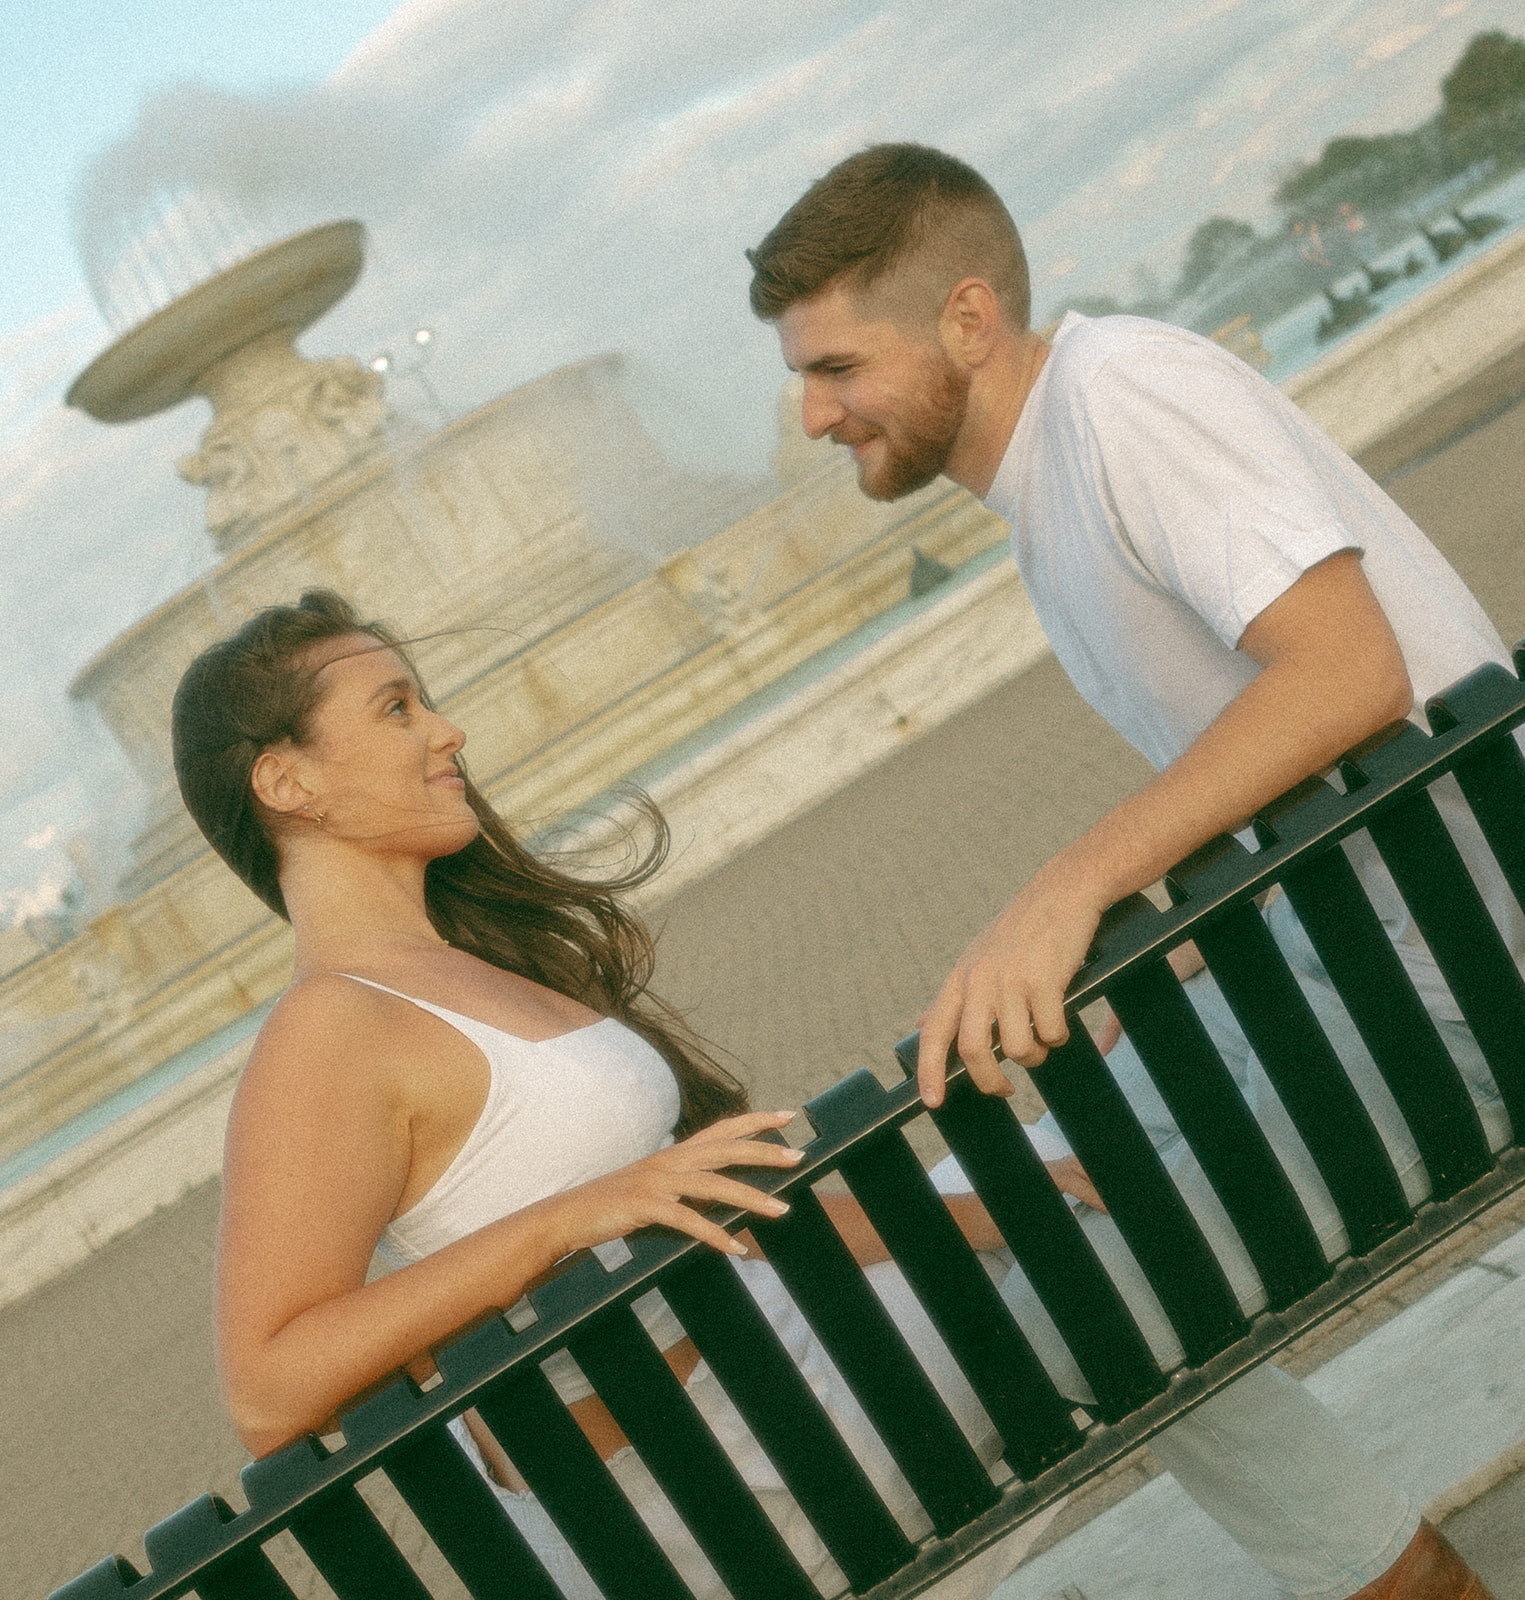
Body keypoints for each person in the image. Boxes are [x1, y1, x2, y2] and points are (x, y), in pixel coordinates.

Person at [746, 143, 1508, 1600]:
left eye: (836, 363)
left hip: (1458, 974)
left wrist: (1072, 888)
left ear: (966, 321)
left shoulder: (1124, 398)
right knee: (1027, 1199)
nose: (811, 411)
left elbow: (1350, 674)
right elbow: (1306, 770)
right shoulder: (1053, 487)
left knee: (1068, 1303)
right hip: (1366, 960)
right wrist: (1161, 953)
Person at [172, 589, 1084, 1600]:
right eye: (396, 708)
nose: (447, 730)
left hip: (789, 1375)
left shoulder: (475, 964)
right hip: (720, 1482)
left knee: (1074, 1198)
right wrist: (571, 1219)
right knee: (1122, 1249)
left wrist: (998, 1206)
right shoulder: (331, 1028)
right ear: (287, 779)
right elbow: (268, 1389)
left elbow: (708, 1204)